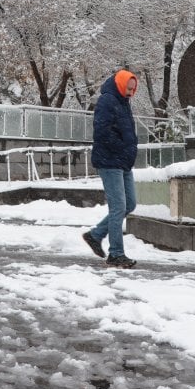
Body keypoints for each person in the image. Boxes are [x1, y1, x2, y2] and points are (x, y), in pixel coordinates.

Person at [82, 69, 139, 268]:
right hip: (110, 161)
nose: (131, 92)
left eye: (133, 89)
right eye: (128, 88)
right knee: (118, 208)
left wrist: (126, 152)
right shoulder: (107, 100)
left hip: (122, 162)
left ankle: (95, 235)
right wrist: (122, 148)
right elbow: (102, 131)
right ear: (120, 85)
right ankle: (116, 254)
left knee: (130, 204)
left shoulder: (123, 102)